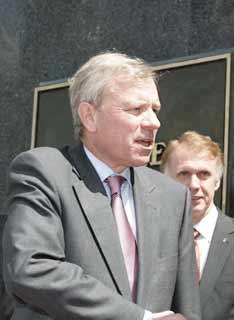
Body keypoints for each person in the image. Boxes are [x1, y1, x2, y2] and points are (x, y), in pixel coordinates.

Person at [2, 52, 200, 320]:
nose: (154, 122)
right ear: (89, 116)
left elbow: (186, 309)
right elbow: (32, 267)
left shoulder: (173, 197)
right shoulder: (44, 172)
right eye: (136, 109)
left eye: (154, 110)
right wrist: (139, 318)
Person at [160, 131, 234, 320]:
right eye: (184, 173)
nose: (194, 184)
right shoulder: (149, 239)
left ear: (216, 181)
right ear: (167, 180)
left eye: (204, 174)